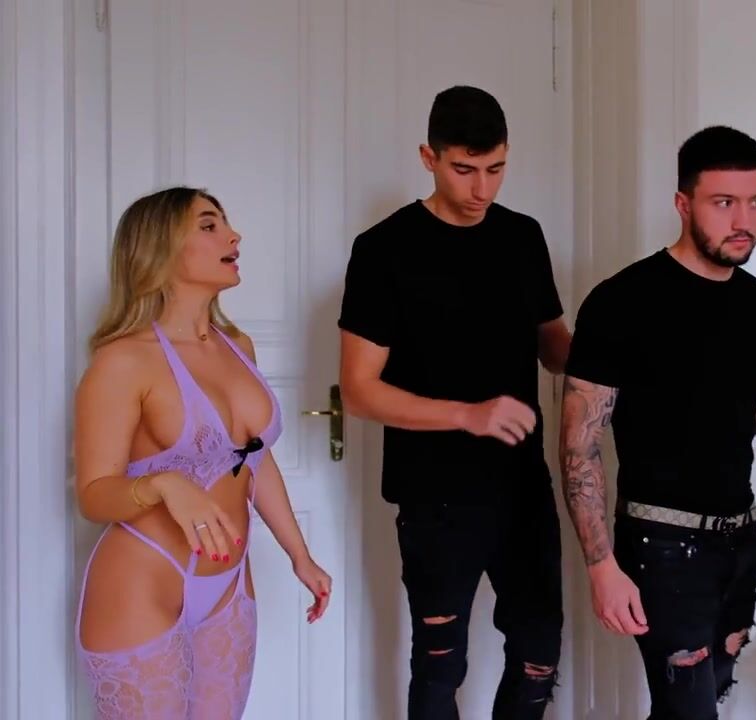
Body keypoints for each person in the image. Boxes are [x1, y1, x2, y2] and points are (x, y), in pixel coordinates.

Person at [559, 124, 756, 719]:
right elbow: (579, 447)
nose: (744, 220)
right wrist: (600, 565)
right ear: (683, 203)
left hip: (739, 541)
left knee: (697, 703)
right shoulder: (622, 302)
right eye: (724, 202)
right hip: (661, 544)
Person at [337, 85, 570, 719]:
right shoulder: (383, 249)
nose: (481, 188)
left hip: (522, 487)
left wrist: (618, 353)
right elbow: (358, 390)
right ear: (429, 157)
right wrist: (468, 415)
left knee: (539, 653)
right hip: (435, 496)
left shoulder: (523, 237)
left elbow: (554, 348)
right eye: (464, 169)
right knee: (441, 665)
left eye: (496, 169)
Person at [74, 186, 332, 720]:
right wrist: (164, 485)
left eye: (226, 224)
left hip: (229, 585)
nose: (234, 236)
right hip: (143, 578)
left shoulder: (239, 345)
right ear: (160, 246)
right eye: (209, 226)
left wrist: (299, 554)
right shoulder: (122, 361)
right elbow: (94, 496)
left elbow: (253, 459)